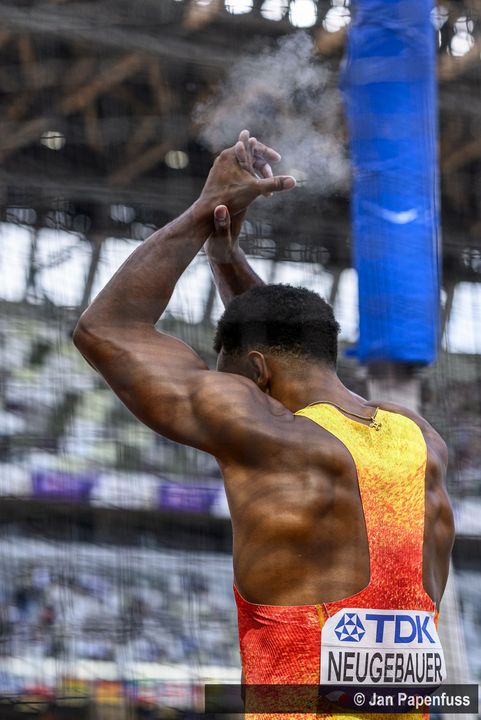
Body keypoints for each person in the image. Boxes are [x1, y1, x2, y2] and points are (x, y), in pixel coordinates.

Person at [73, 130, 454, 709]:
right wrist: (225, 258)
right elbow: (287, 355)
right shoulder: (420, 440)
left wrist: (204, 212)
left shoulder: (271, 437)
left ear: (255, 374)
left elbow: (107, 329)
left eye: (236, 379)